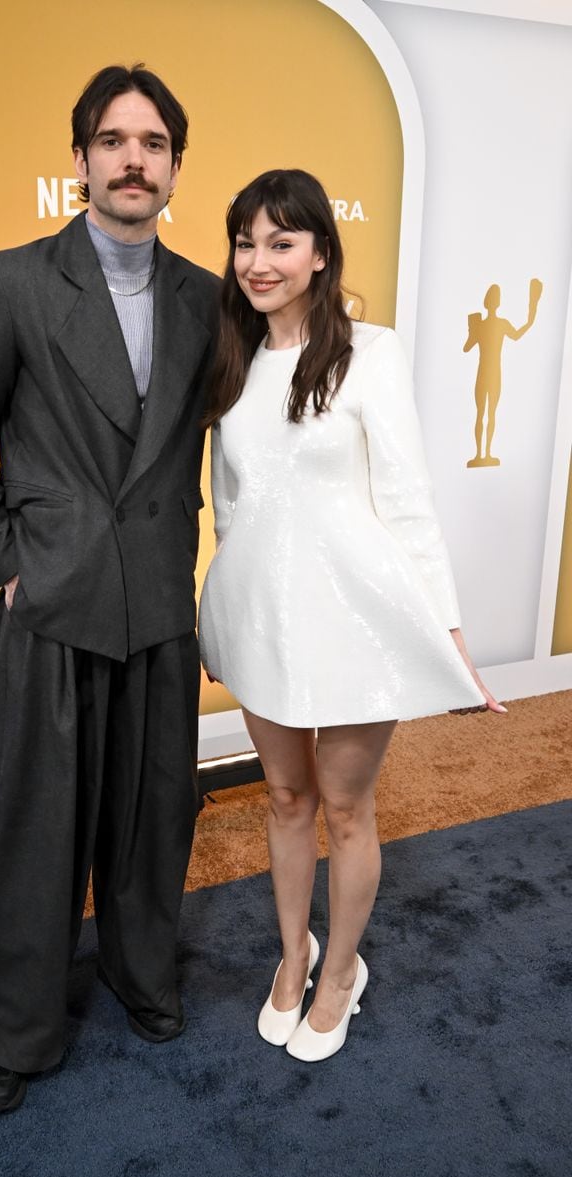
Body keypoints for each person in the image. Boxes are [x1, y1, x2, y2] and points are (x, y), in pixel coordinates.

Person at [0, 64, 218, 1114]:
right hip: (52, 602)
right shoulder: (12, 281)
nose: (131, 159)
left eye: (150, 143)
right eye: (111, 140)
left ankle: (140, 971)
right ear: (80, 160)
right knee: (33, 825)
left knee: (153, 813)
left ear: (174, 168)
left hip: (157, 598)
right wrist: (11, 567)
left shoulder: (204, 295)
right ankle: (12, 1026)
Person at [199, 169, 505, 1063]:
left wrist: (446, 633)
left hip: (360, 616)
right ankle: (292, 959)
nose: (259, 261)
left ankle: (342, 972)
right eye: (246, 242)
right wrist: (219, 616)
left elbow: (408, 501)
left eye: (281, 242)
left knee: (344, 806)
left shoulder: (371, 351)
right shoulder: (230, 357)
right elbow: (229, 505)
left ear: (320, 253)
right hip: (263, 617)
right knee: (286, 797)